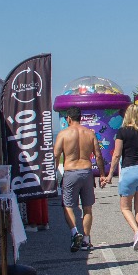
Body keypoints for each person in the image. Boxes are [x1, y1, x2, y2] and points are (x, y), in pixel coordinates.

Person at [54, 105, 106, 252]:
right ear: (81, 118)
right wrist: (102, 174)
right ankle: (86, 239)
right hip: (87, 171)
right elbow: (98, 155)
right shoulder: (90, 134)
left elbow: (56, 155)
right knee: (87, 207)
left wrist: (53, 174)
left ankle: (75, 233)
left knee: (68, 206)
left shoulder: (63, 134)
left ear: (69, 118)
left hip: (71, 172)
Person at [103, 104, 138, 251]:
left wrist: (110, 173)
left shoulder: (122, 132)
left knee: (125, 207)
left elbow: (117, 154)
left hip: (129, 170)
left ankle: (137, 232)